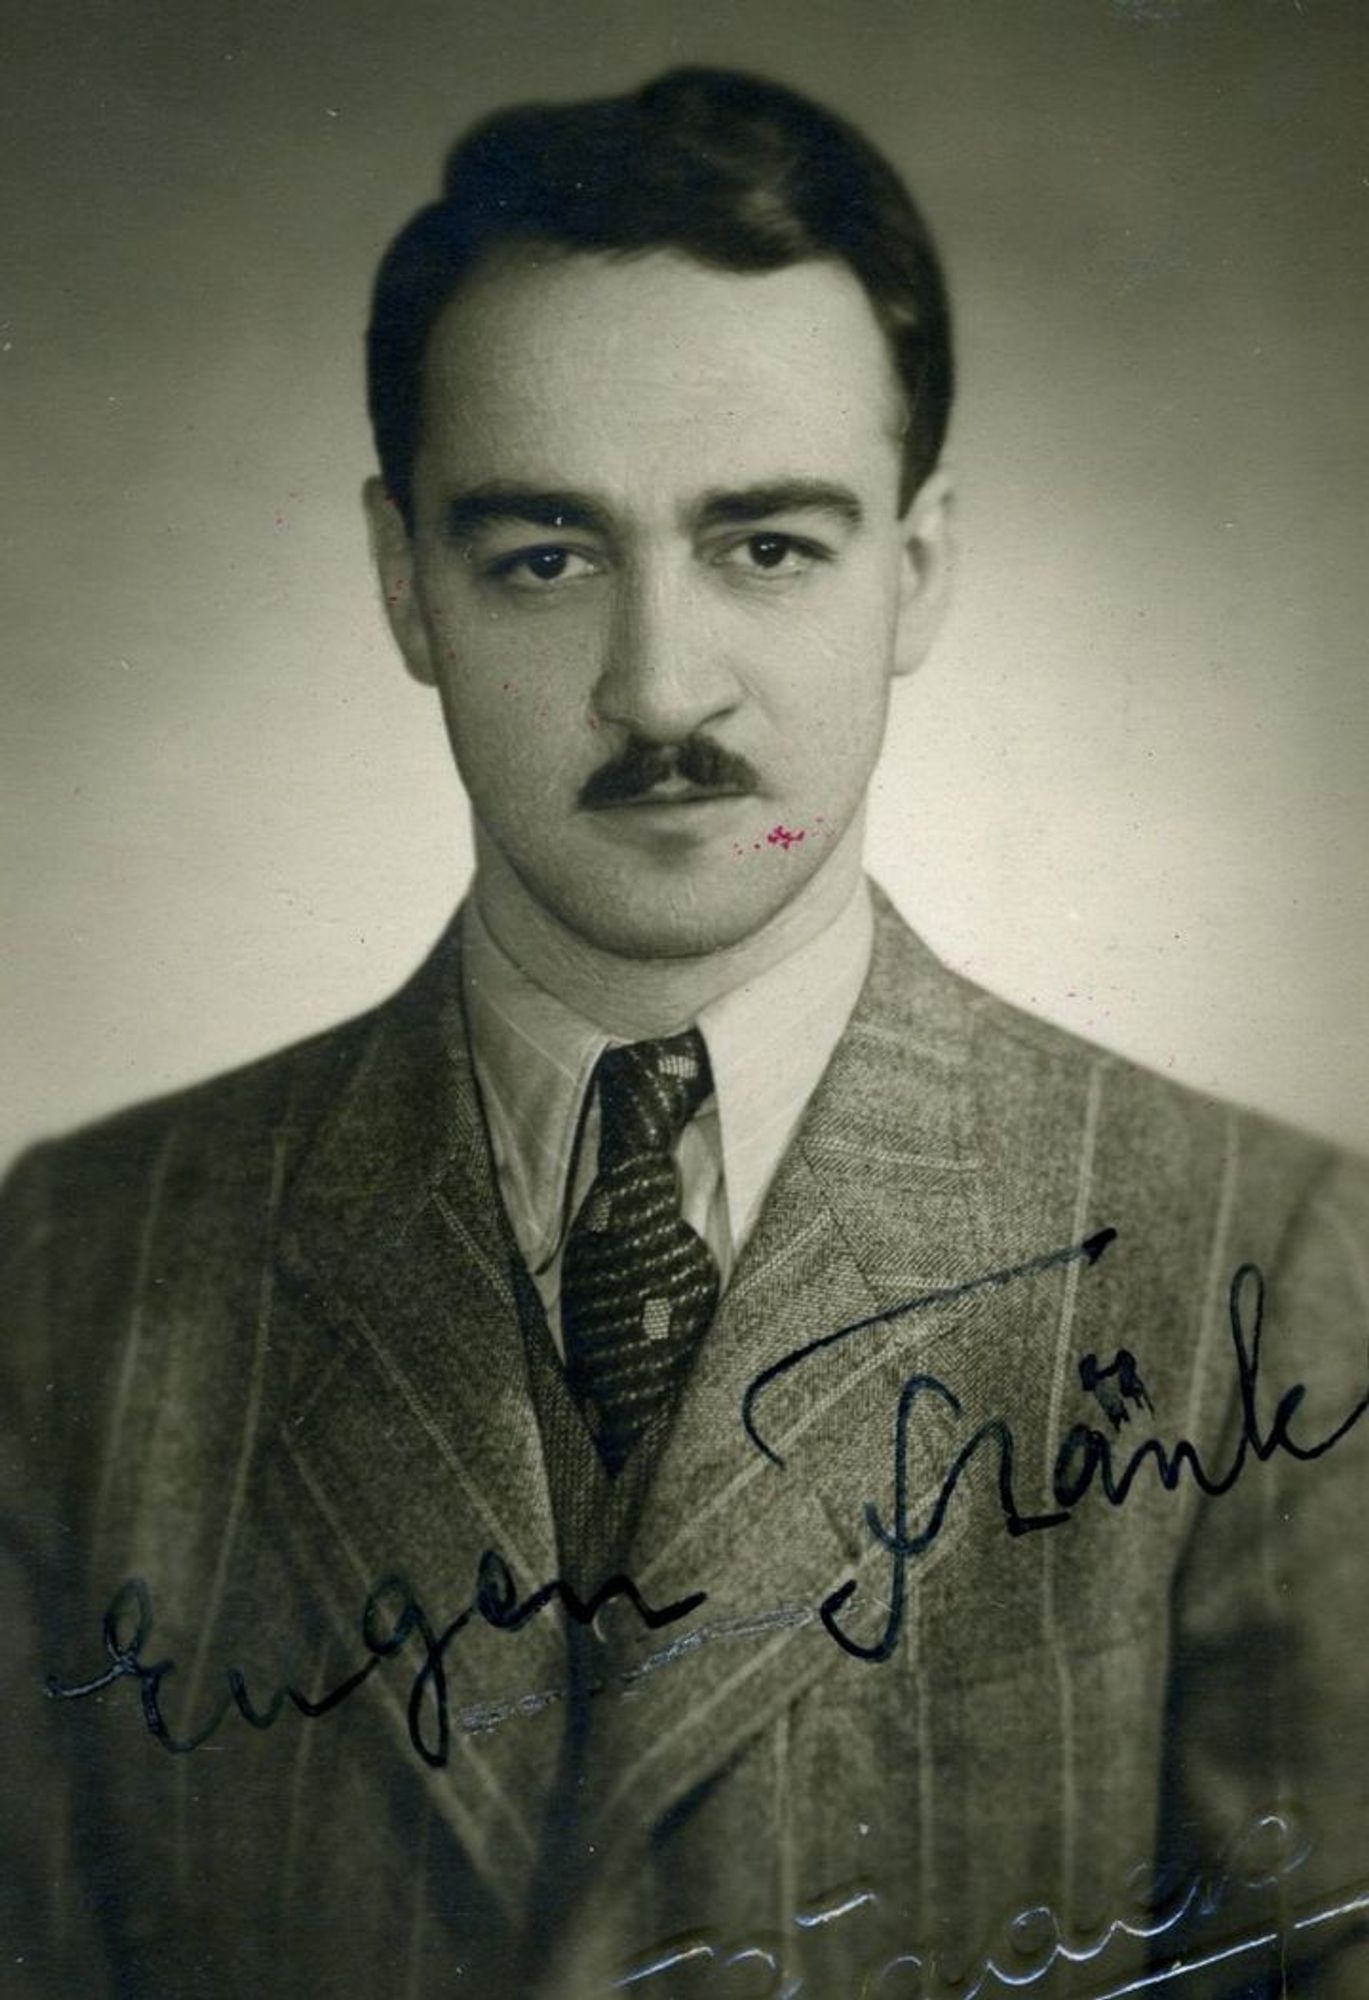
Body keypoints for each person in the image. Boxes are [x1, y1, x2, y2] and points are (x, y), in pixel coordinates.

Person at [1, 65, 1366, 2000]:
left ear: (916, 570)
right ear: (406, 584)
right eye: (543, 555)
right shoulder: (77, 1274)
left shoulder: (1266, 1264)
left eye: (768, 547)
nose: (657, 682)